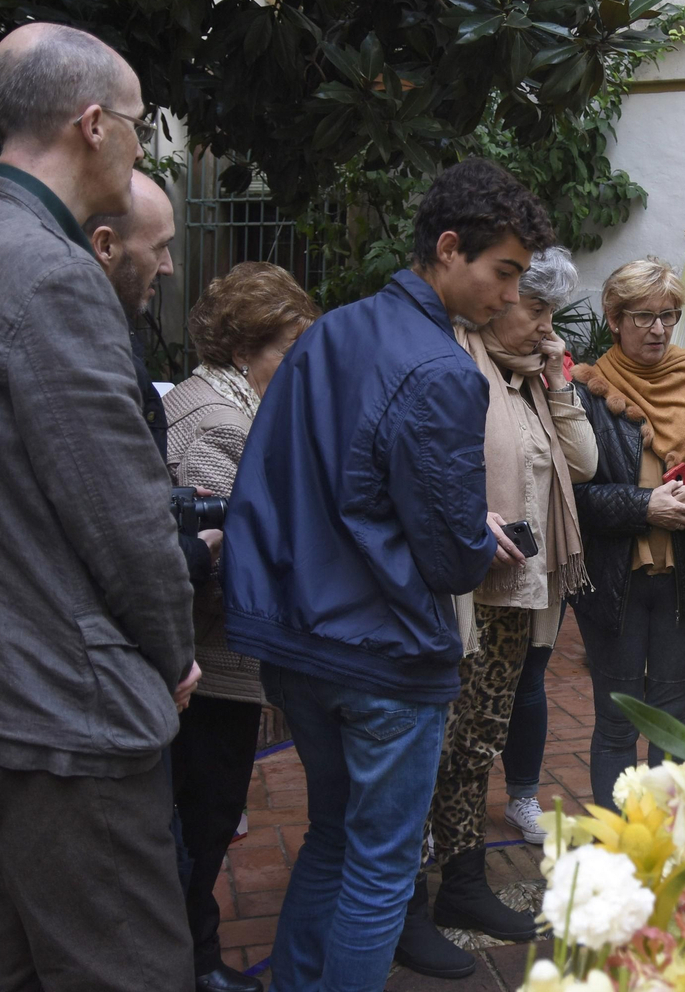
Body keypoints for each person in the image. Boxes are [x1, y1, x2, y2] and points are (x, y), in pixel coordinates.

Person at [0, 23, 197, 988]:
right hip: (68, 710)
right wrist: (173, 654)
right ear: (94, 124)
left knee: (5, 959)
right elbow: (123, 520)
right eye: (142, 127)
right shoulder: (53, 274)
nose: (144, 148)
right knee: (128, 966)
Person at [222, 158, 554, 992]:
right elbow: (447, 558)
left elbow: (294, 478)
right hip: (384, 653)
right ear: (449, 248)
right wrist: (482, 540)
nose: (510, 298)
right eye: (502, 273)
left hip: (300, 639)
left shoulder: (329, 330)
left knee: (332, 837)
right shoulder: (443, 368)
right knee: (380, 866)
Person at [394, 246, 596, 975]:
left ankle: (465, 885)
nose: (546, 325)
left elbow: (585, 464)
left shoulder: (528, 380)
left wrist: (558, 379)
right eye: (535, 308)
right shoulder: (455, 364)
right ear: (498, 301)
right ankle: (407, 906)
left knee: (478, 742)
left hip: (517, 592)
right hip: (460, 596)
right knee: (433, 749)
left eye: (549, 312)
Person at [163, 262, 320, 992]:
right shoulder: (216, 421)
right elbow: (226, 557)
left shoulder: (235, 404)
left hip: (220, 659)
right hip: (208, 661)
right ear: (240, 348)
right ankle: (193, 965)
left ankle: (194, 956)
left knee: (205, 815)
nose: (299, 366)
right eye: (289, 348)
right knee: (203, 816)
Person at [569, 257, 685, 810]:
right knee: (617, 720)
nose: (658, 329)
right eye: (643, 316)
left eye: (669, 315)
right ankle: (616, 846)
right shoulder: (588, 393)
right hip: (613, 581)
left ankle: (671, 844)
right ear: (614, 318)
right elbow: (574, 500)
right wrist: (645, 507)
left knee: (673, 721)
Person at [86, 168, 221, 583]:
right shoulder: (90, 349)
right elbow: (110, 526)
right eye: (159, 247)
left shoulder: (107, 331)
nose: (168, 267)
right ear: (105, 246)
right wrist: (194, 552)